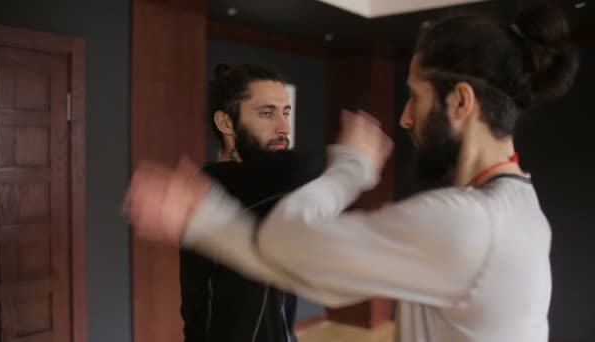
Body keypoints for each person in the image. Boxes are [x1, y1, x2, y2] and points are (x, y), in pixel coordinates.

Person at [125, 4, 580, 342]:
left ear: (460, 102)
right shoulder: (515, 205)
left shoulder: (470, 223)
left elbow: (290, 243)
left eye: (415, 97)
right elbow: (316, 274)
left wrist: (353, 167)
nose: (404, 117)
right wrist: (207, 219)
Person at [178, 63, 322, 342]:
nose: (284, 128)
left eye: (286, 112)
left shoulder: (266, 186)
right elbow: (305, 167)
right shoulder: (214, 184)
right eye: (267, 113)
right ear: (226, 123)